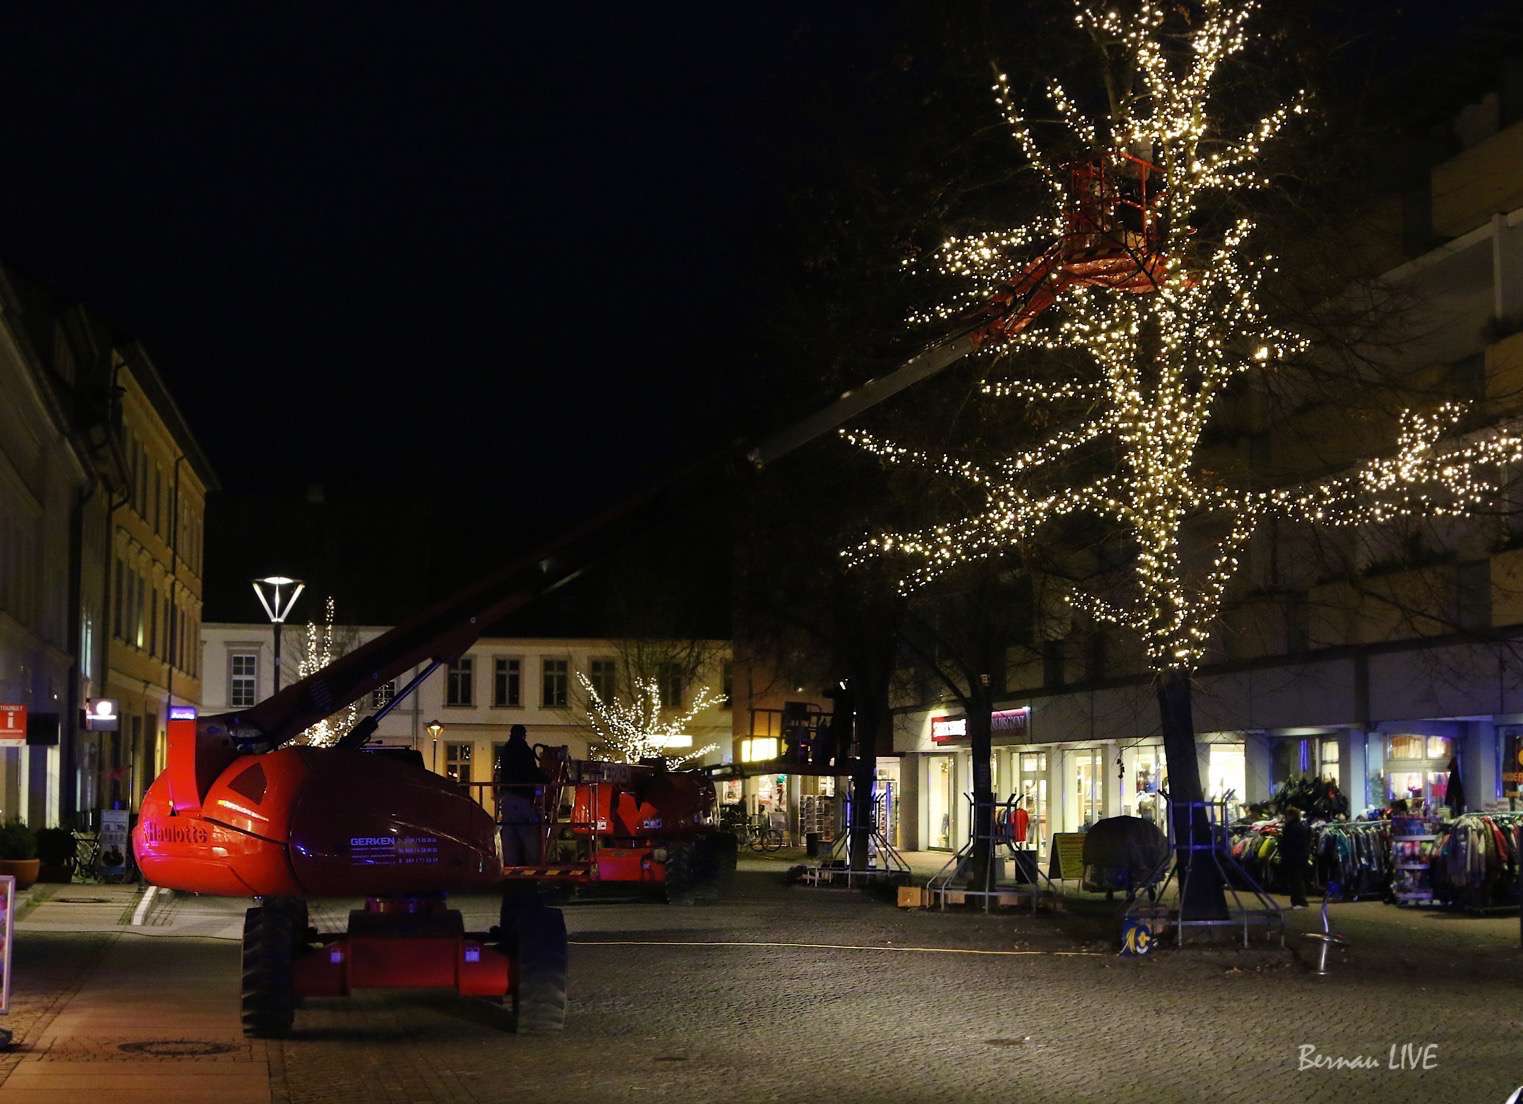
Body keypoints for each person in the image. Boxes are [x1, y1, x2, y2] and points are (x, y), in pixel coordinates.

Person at [496, 724, 546, 866]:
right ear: (523, 735)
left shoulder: (505, 750)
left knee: (510, 832)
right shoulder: (524, 751)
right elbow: (532, 771)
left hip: (507, 797)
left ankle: (510, 865)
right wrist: (546, 780)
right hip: (522, 797)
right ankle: (532, 866)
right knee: (529, 833)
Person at [1279, 806, 1312, 910]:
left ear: (1291, 816)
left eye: (1287, 815)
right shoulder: (1302, 827)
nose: (1285, 818)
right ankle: (1298, 901)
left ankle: (1299, 901)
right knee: (1297, 879)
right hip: (1300, 856)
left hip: (1293, 856)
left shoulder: (1291, 828)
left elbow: (1288, 843)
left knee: (1296, 880)